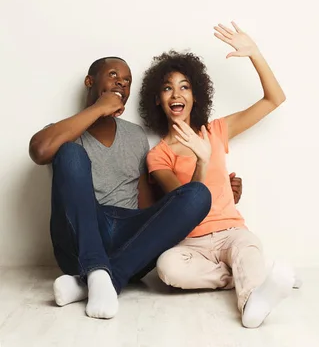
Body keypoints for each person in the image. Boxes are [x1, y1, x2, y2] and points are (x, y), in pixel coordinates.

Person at [29, 56, 242, 319]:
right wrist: (98, 109)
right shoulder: (63, 132)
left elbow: (150, 207)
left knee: (198, 194)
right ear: (90, 81)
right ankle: (95, 269)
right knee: (70, 153)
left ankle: (97, 281)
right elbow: (39, 151)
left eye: (127, 80)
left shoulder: (135, 135)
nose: (121, 82)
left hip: (127, 241)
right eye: (113, 75)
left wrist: (216, 195)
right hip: (81, 238)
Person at [141, 22, 294, 328]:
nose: (176, 93)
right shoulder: (157, 155)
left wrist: (255, 54)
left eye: (184, 86)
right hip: (190, 243)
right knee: (167, 269)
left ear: (195, 96)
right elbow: (184, 204)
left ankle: (252, 299)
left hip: (230, 232)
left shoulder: (216, 131)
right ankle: (249, 276)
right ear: (158, 99)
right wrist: (201, 160)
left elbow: (274, 100)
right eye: (168, 87)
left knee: (247, 244)